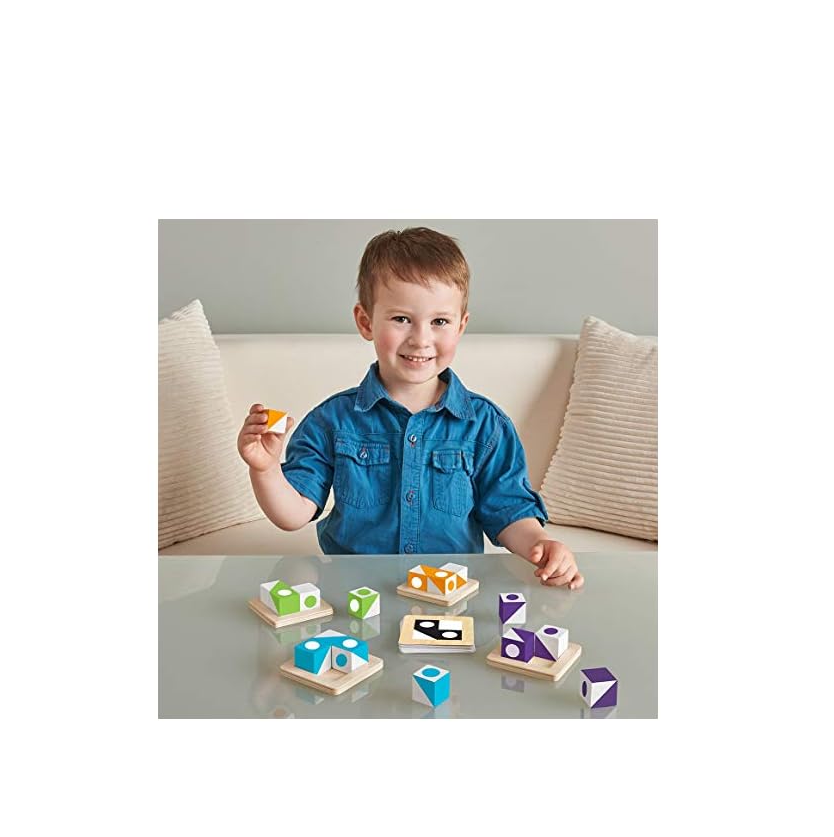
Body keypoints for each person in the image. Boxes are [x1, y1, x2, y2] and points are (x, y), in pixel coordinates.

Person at [237, 227, 584, 589]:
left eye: (439, 322)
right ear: (366, 322)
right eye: (401, 319)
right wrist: (265, 469)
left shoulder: (486, 425)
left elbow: (510, 511)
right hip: (355, 593)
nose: (421, 339)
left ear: (461, 326)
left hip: (450, 595)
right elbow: (293, 515)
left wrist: (541, 543)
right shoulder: (331, 421)